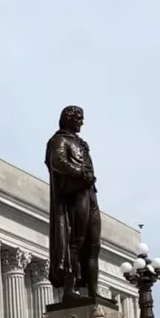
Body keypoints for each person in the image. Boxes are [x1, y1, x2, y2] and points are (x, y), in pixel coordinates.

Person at [46, 104, 102, 302]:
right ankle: (70, 288)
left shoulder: (80, 143)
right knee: (75, 240)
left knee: (93, 244)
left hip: (90, 194)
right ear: (68, 118)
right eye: (79, 118)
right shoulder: (59, 140)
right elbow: (57, 161)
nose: (82, 122)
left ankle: (93, 291)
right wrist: (79, 173)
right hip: (75, 194)